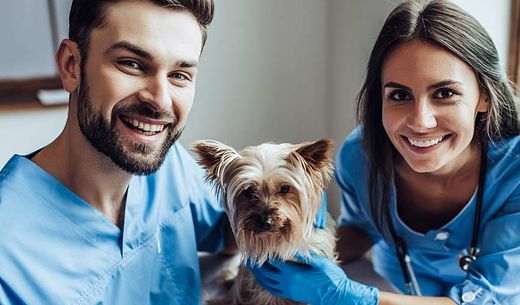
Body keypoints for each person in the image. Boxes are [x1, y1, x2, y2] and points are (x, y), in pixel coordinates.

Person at [249, 0, 520, 304]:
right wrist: (300, 239)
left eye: (445, 93)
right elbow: (364, 229)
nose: (420, 121)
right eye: (400, 95)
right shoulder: (359, 156)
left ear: (484, 96)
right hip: (394, 285)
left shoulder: (515, 172)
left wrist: (351, 296)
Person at [0, 1, 236, 304]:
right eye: (132, 64)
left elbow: (238, 229)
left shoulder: (171, 168)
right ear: (71, 65)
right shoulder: (8, 255)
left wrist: (302, 237)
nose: (160, 101)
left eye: (179, 74)